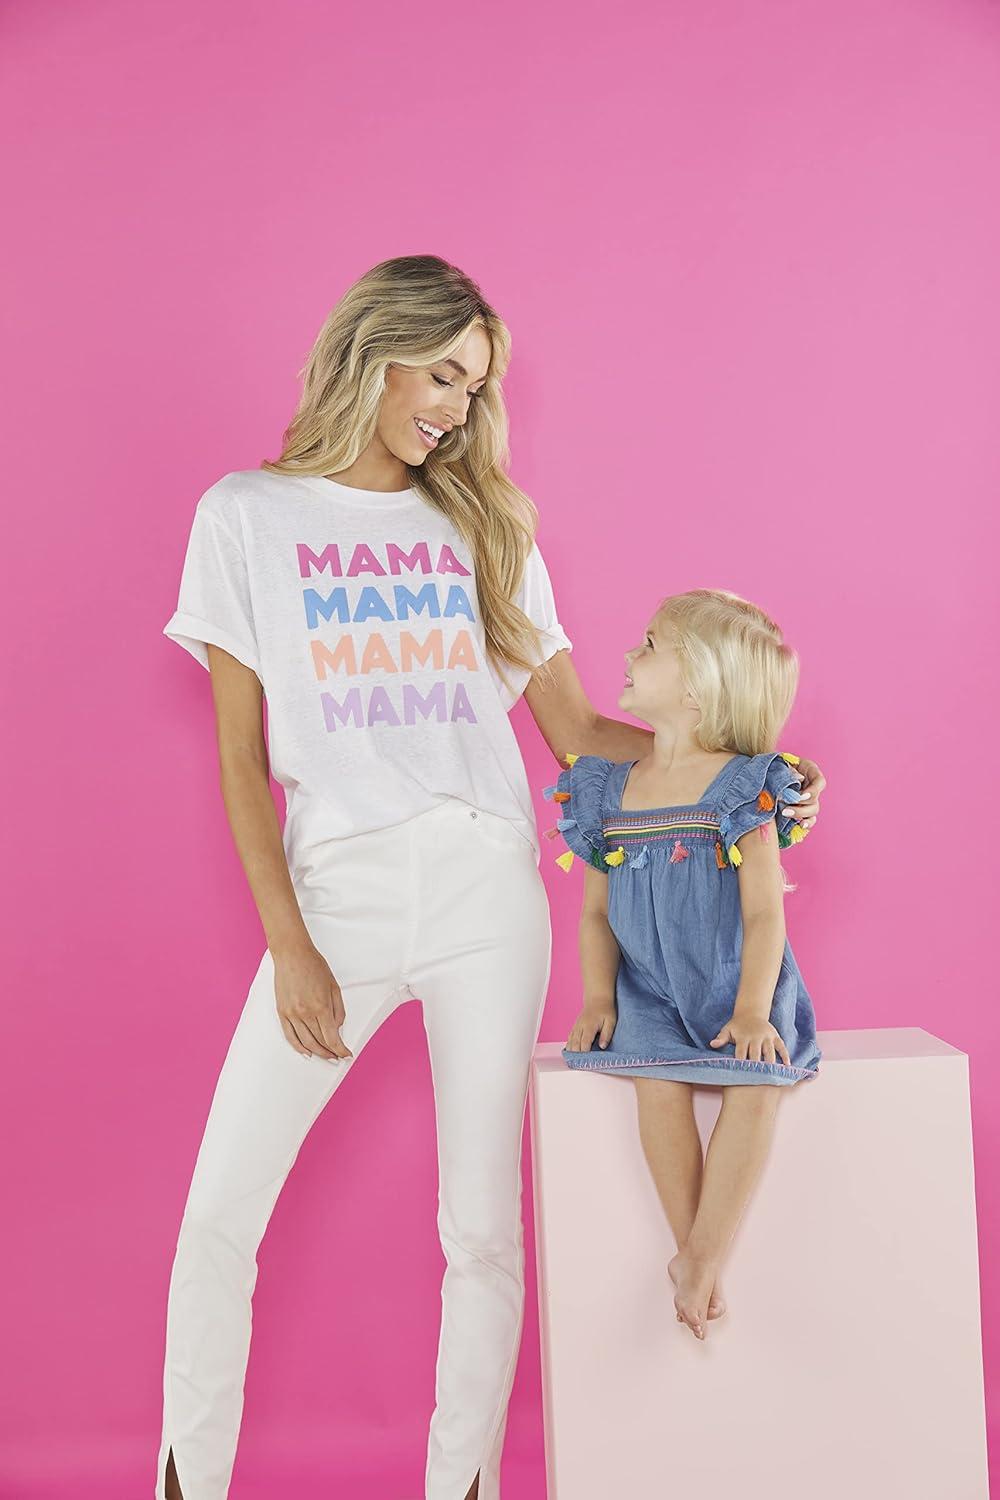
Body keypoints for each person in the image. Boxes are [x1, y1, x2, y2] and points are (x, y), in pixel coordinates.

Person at [155, 255, 827, 1499]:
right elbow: (241, 760)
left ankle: (461, 1486)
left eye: (475, 389)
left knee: (479, 1230)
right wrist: (290, 942)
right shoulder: (244, 515)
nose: (458, 409)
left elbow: (580, 738)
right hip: (340, 895)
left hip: (485, 893)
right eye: (443, 376)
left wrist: (747, 776)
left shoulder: (484, 527)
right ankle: (186, 1483)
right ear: (375, 355)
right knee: (219, 1215)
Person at [554, 588, 821, 1341]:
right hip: (648, 986)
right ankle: (690, 1251)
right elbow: (596, 912)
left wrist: (752, 1009)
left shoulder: (744, 788)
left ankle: (705, 1254)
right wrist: (599, 998)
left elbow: (764, 913)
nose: (629, 654)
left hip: (737, 981)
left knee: (756, 1087)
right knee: (657, 1083)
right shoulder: (606, 788)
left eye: (649, 645)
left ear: (700, 685)